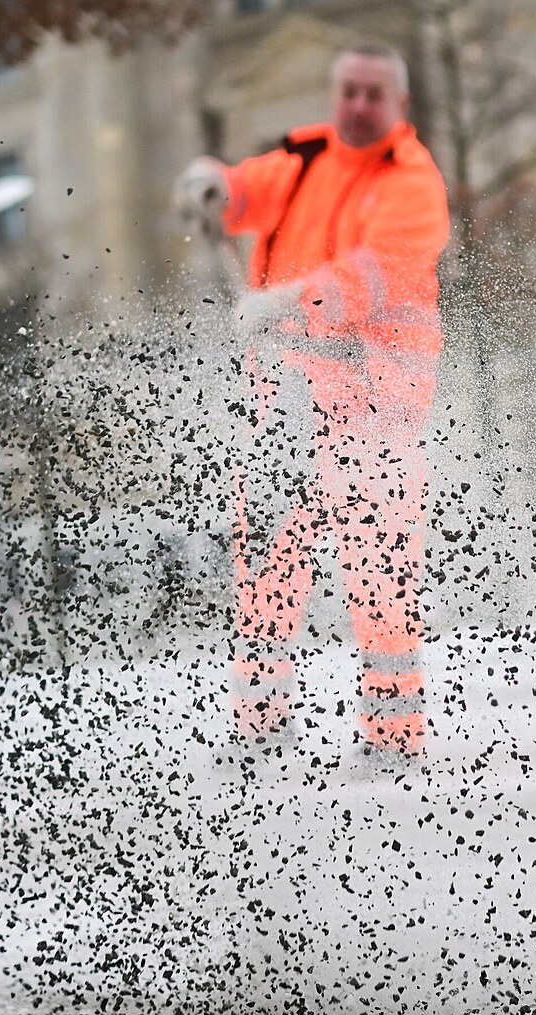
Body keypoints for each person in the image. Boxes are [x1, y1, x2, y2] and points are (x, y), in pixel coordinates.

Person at [174, 42, 449, 758]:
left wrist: (291, 300)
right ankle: (258, 731)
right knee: (263, 570)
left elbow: (373, 275)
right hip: (288, 407)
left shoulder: (413, 183)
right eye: (348, 92)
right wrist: (211, 186)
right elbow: (244, 190)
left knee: (382, 579)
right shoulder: (304, 161)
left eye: (373, 94)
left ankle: (393, 739)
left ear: (400, 105)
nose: (358, 106)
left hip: (376, 418)